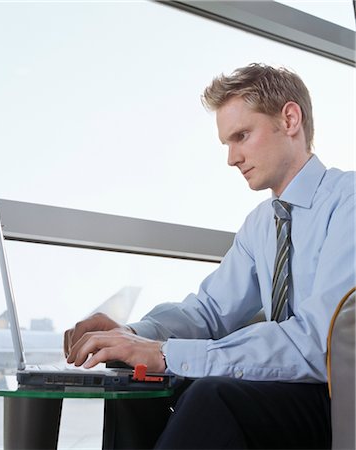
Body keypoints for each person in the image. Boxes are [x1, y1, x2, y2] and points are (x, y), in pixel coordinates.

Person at [64, 63, 355, 449]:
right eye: (227, 144)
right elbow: (209, 312)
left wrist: (167, 354)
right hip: (283, 391)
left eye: (242, 136)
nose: (232, 158)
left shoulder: (347, 202)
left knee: (211, 397)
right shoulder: (260, 225)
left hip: (335, 398)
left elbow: (320, 343)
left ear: (289, 119)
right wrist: (132, 335)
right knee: (136, 382)